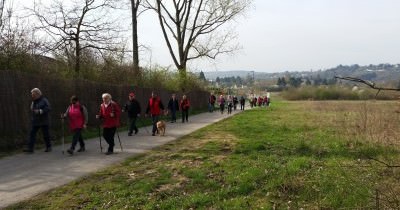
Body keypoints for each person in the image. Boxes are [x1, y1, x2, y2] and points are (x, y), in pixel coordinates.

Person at [23, 88, 52, 153]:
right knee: (32, 134)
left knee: (46, 134)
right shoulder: (33, 101)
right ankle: (30, 148)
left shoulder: (44, 100)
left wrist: (40, 111)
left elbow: (48, 108)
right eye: (32, 95)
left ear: (38, 94)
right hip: (35, 121)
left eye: (33, 95)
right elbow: (32, 110)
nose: (32, 96)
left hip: (44, 120)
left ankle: (49, 147)